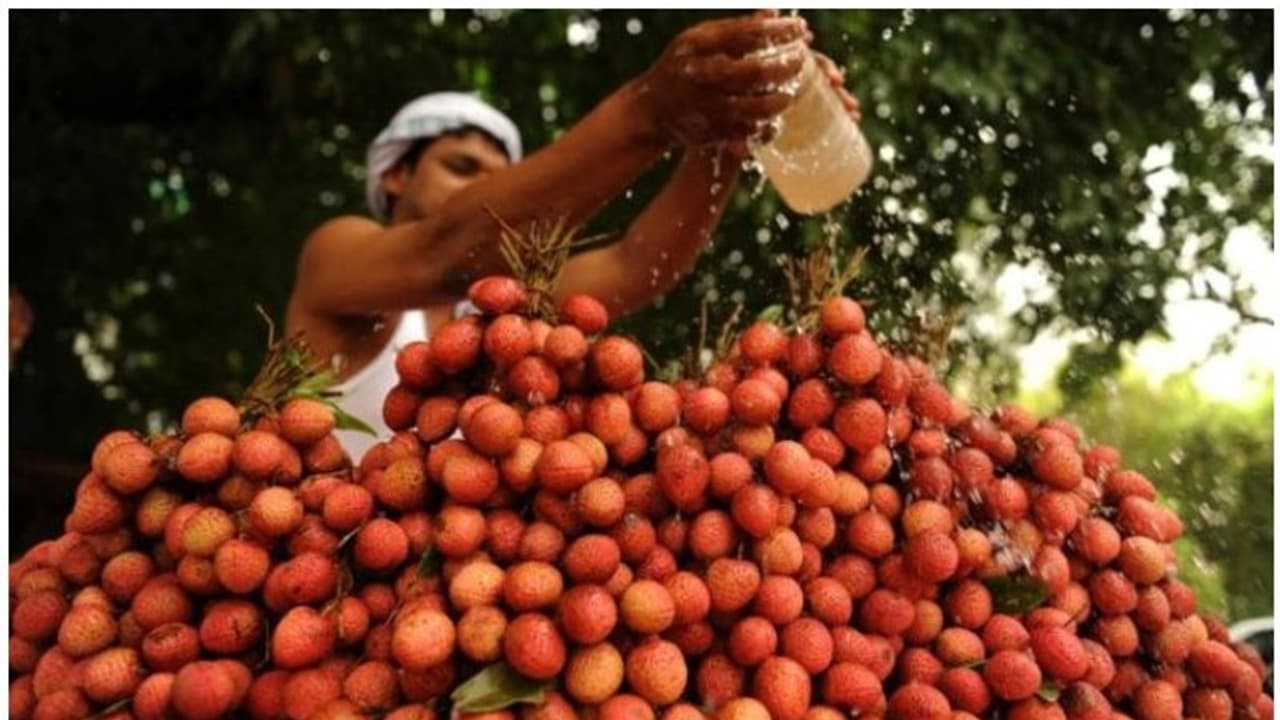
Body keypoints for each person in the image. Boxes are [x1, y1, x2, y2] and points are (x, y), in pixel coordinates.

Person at [285, 11, 861, 458]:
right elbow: (444, 251)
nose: (479, 191)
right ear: (395, 175)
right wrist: (650, 112)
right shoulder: (336, 255)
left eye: (497, 180)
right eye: (461, 169)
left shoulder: (500, 308)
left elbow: (636, 263)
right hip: (325, 596)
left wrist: (726, 140)